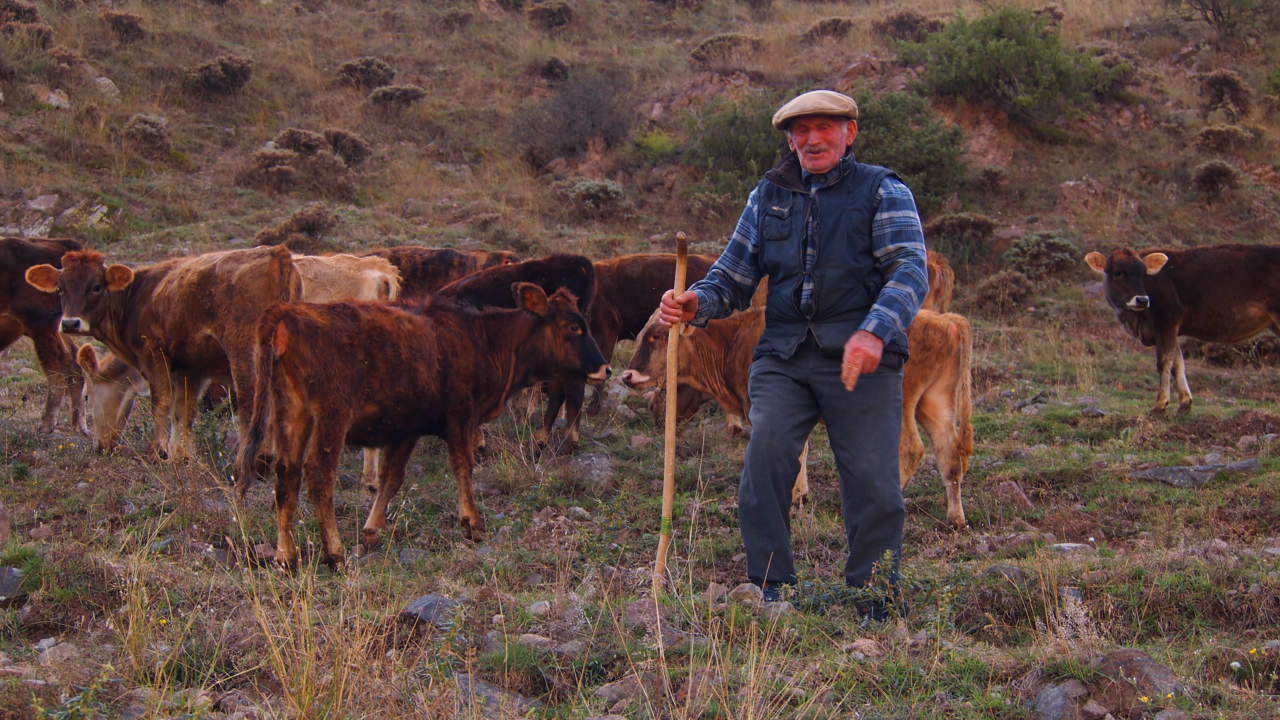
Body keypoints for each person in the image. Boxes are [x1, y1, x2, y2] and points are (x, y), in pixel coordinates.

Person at [658, 89, 928, 618]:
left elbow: (909, 269)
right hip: (784, 355)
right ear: (790, 140)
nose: (812, 139)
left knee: (873, 481)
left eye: (824, 128)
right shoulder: (769, 194)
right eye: (801, 131)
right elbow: (733, 275)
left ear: (849, 133)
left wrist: (875, 331)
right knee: (766, 459)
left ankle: (873, 596)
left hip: (862, 356)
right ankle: (770, 587)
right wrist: (697, 302)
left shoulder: (883, 190)